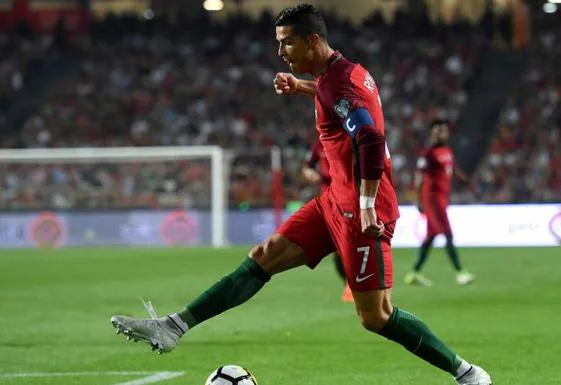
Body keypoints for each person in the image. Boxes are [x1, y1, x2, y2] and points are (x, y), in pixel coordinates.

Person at [110, 5, 491, 385]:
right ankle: (173, 326)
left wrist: (365, 205)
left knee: (376, 316)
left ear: (313, 40)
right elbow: (339, 101)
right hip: (333, 202)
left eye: (287, 43)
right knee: (264, 255)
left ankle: (467, 374)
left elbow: (370, 138)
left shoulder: (339, 84)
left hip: (361, 212)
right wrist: (302, 87)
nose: (281, 52)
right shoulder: (342, 74)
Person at [405, 119, 476, 287]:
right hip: (432, 200)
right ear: (432, 133)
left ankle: (414, 273)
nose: (441, 133)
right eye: (437, 131)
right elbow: (419, 177)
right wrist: (418, 199)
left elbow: (451, 169)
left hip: (442, 199)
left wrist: (464, 180)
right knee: (448, 234)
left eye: (443, 130)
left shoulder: (447, 151)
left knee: (430, 237)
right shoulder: (428, 154)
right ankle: (461, 272)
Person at [302, 139, 353, 302]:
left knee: (349, 244)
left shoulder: (349, 138)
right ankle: (349, 284)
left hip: (349, 198)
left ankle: (357, 285)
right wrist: (309, 172)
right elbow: (307, 166)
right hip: (329, 201)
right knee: (337, 249)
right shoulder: (318, 144)